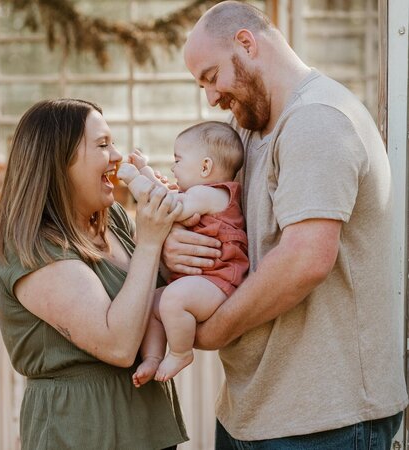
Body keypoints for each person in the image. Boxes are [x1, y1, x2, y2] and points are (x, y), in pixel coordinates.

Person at [162, 1, 408, 449]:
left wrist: (215, 331)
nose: (211, 98)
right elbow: (220, 217)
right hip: (254, 411)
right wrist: (176, 243)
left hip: (325, 421)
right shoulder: (252, 128)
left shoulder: (317, 120)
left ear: (246, 43)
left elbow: (304, 260)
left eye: (211, 77)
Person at [0, 98, 188, 450]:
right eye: (102, 145)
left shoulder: (119, 224)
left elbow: (159, 304)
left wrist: (182, 222)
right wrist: (151, 242)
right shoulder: (30, 247)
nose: (117, 156)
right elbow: (119, 345)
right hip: (82, 430)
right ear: (58, 161)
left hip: (149, 424)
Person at [116, 121, 248, 386]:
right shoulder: (195, 193)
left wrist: (132, 178)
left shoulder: (210, 194)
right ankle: (153, 357)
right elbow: (167, 194)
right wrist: (145, 171)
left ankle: (180, 352)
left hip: (220, 282)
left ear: (205, 167)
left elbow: (166, 205)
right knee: (155, 302)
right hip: (204, 281)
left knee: (173, 299)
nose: (174, 167)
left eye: (178, 160)